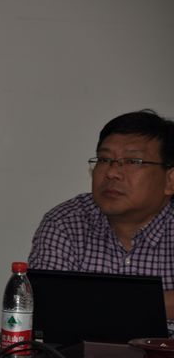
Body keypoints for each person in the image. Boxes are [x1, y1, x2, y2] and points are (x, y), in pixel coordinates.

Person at [28, 109, 174, 323]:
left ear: (170, 180)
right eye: (104, 159)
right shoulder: (65, 223)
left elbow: (69, 307)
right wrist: (157, 304)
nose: (112, 172)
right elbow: (46, 310)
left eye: (132, 161)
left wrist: (93, 305)